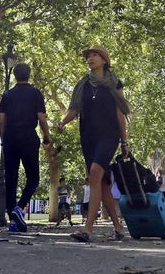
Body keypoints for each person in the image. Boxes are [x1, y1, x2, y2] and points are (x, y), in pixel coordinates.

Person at [56, 45, 131, 243]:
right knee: (103, 183)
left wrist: (124, 141)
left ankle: (88, 229)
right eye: (88, 56)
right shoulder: (84, 84)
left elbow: (120, 113)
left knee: (95, 175)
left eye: (95, 55)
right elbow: (75, 109)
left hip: (109, 135)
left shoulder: (115, 83)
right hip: (88, 137)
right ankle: (118, 227)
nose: (90, 58)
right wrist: (63, 121)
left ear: (104, 60)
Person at [0, 62, 53, 232]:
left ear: (14, 75)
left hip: (10, 139)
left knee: (11, 179)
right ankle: (19, 208)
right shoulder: (35, 94)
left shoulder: (7, 94)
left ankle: (13, 222)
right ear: (29, 75)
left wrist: (3, 139)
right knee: (33, 178)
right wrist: (47, 136)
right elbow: (41, 118)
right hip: (28, 138)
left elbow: (1, 120)